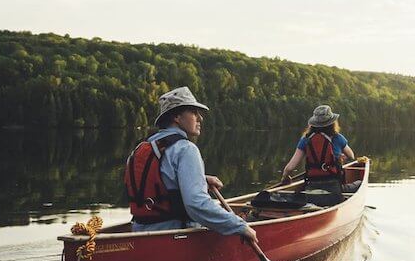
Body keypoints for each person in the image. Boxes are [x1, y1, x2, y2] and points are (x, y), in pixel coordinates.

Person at [125, 86, 258, 243]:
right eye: (194, 112)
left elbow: (160, 179)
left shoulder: (142, 148)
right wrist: (239, 226)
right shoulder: (186, 149)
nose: (200, 118)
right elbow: (197, 205)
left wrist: (200, 178)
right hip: (172, 237)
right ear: (177, 116)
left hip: (138, 232)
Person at [281, 104, 361, 193]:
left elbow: (289, 168)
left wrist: (285, 177)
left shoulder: (305, 140)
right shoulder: (337, 138)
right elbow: (351, 155)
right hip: (334, 190)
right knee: (360, 183)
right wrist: (341, 157)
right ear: (332, 122)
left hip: (311, 189)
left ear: (313, 124)